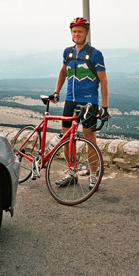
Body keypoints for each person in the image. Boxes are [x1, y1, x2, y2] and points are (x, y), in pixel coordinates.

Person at [51, 17, 109, 189]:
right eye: (74, 31)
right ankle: (72, 173)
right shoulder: (67, 52)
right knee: (67, 138)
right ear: (71, 33)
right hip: (70, 100)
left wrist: (104, 107)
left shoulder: (95, 54)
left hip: (89, 102)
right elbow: (63, 72)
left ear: (86, 33)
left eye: (80, 31)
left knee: (89, 137)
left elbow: (103, 81)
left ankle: (93, 175)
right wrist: (56, 91)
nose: (77, 34)